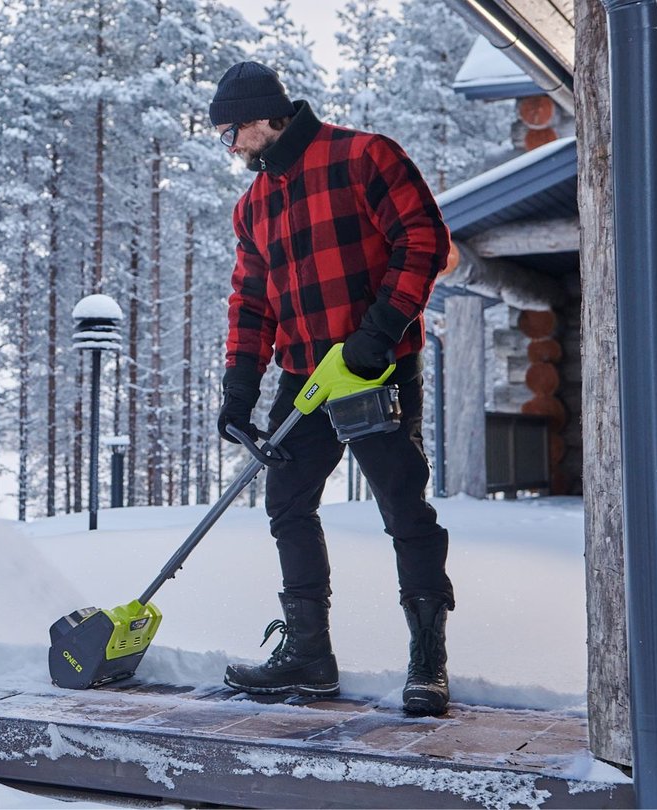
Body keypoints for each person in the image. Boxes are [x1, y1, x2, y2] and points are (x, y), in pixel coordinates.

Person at [208, 61, 455, 716]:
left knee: (403, 506)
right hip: (307, 380)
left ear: (264, 117)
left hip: (375, 366)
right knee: (287, 503)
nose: (230, 147)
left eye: (231, 132)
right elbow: (252, 303)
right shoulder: (253, 206)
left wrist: (377, 334)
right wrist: (239, 388)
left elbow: (423, 239)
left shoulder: (362, 157)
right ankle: (309, 656)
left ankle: (428, 661)